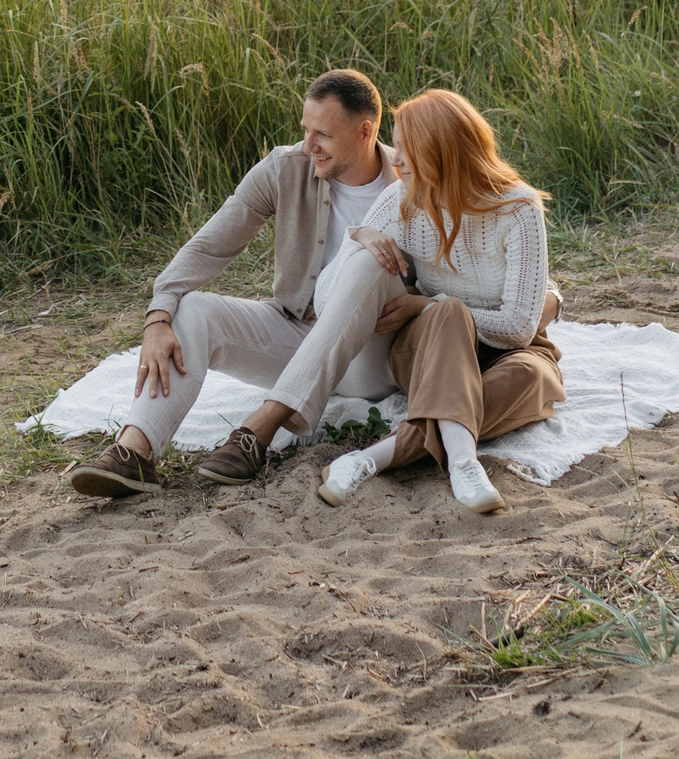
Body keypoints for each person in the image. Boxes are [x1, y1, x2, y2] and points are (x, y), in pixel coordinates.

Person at [68, 68, 427, 499]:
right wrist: (158, 316)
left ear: (364, 132)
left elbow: (460, 275)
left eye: (323, 135)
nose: (309, 145)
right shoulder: (286, 167)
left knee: (367, 262)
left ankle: (258, 430)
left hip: (371, 354)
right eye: (305, 130)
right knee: (194, 309)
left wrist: (420, 304)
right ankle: (134, 451)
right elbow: (209, 247)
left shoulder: (412, 181)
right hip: (295, 329)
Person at [314, 88, 563, 514]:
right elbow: (327, 299)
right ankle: (465, 464)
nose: (396, 161)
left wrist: (427, 303)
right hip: (430, 347)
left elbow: (522, 327)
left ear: (444, 150)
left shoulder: (518, 207)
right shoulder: (399, 201)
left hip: (508, 353)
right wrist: (359, 239)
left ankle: (367, 459)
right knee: (449, 314)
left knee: (536, 378)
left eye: (409, 150)